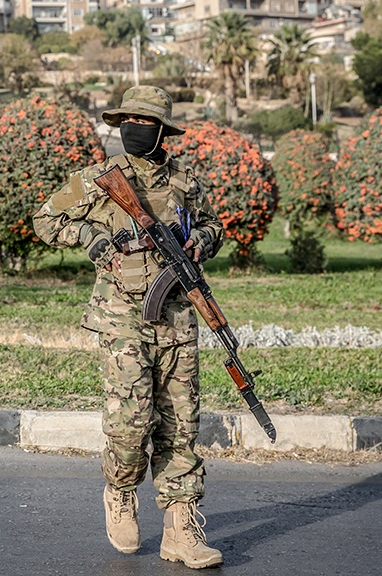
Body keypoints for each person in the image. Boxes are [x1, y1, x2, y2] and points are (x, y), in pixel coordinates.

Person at [32, 86, 226, 569]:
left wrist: (201, 238)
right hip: (121, 319)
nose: (133, 130)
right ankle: (120, 492)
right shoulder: (98, 179)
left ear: (163, 131)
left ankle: (181, 529)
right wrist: (89, 236)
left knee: (182, 425)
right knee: (130, 423)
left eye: (143, 122)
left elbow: (215, 226)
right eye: (126, 122)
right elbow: (45, 220)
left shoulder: (186, 182)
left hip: (179, 318)